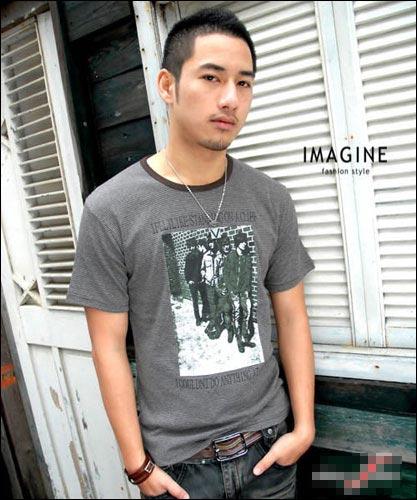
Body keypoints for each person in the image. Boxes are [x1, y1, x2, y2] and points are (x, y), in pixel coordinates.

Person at [66, 7, 316, 499]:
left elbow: (292, 315)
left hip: (269, 453)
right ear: (167, 85)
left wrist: (303, 428)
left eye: (244, 83)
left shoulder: (270, 198)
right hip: (180, 469)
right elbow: (108, 346)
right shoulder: (111, 208)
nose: (230, 99)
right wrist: (138, 467)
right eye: (211, 77)